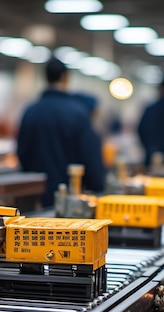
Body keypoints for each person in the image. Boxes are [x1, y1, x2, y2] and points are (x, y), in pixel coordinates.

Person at [16, 58, 105, 207]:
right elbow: (89, 156)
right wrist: (98, 189)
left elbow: (22, 152)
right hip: (69, 198)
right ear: (65, 77)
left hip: (35, 196)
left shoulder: (30, 112)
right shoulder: (77, 113)